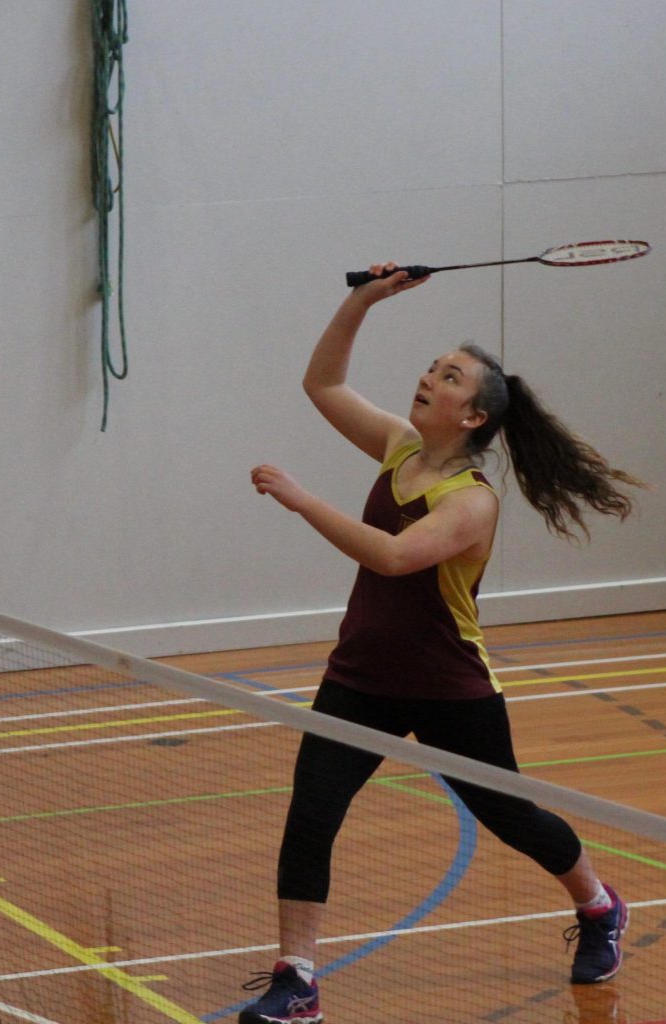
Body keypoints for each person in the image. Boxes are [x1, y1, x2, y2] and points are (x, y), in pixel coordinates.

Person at [240, 264, 644, 1024]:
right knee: (311, 812)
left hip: (448, 686)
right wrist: (361, 300)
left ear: (472, 417)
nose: (428, 378)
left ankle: (596, 906)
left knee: (512, 816)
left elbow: (391, 557)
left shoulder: (469, 502)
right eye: (432, 367)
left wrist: (301, 500)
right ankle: (296, 981)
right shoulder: (398, 447)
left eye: (448, 376)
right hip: (359, 675)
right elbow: (323, 385)